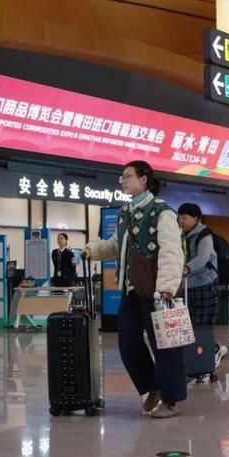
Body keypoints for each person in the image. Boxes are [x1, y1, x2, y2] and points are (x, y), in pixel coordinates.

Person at [83, 161, 185, 418]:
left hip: (157, 291)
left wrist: (167, 288)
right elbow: (115, 246)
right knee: (127, 343)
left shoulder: (162, 212)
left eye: (128, 176)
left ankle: (170, 400)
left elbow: (172, 252)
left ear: (144, 179)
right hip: (131, 289)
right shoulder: (125, 213)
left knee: (166, 346)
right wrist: (92, 250)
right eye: (122, 177)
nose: (123, 180)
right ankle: (152, 386)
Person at [177, 203, 228, 368]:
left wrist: (187, 268)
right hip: (188, 287)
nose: (181, 221)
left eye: (184, 218)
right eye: (179, 217)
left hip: (205, 284)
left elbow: (203, 257)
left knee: (202, 326)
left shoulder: (204, 235)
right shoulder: (182, 236)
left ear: (195, 219)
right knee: (189, 327)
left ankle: (212, 352)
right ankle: (199, 357)